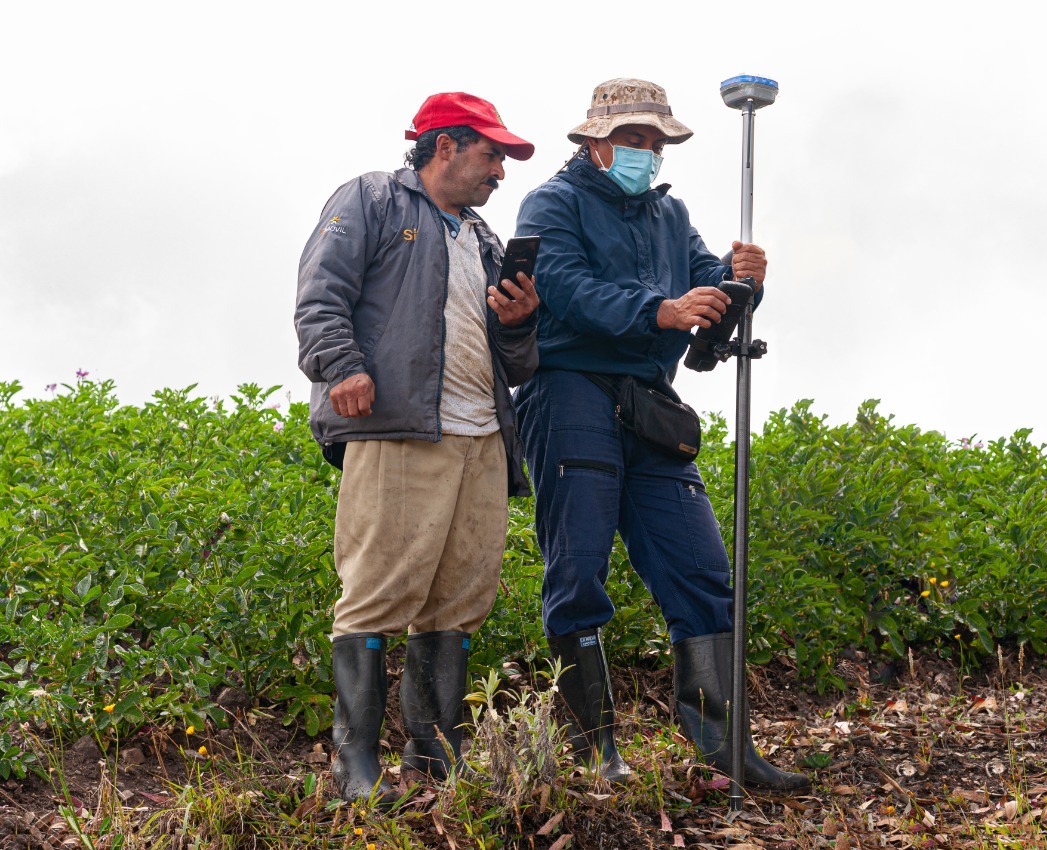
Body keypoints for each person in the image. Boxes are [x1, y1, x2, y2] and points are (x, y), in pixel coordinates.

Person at [512, 78, 809, 793]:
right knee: (578, 573)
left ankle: (725, 749)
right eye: (633, 139)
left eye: (654, 140)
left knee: (704, 572)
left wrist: (744, 284)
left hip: (651, 405)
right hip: (569, 392)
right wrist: (662, 311)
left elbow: (709, 287)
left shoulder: (669, 213)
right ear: (594, 143)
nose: (646, 151)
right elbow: (565, 289)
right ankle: (596, 753)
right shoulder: (552, 203)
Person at [295, 91, 540, 804]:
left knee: (460, 599)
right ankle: (355, 769)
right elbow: (320, 293)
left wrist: (519, 321)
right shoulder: (372, 199)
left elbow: (519, 365)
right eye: (492, 153)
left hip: (481, 438)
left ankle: (434, 760)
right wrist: (341, 367)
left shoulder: (485, 239)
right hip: (398, 429)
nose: (501, 170)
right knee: (375, 593)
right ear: (445, 146)